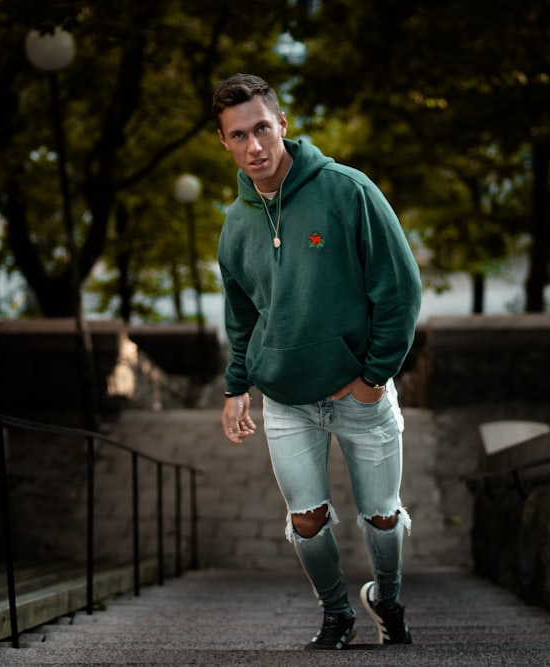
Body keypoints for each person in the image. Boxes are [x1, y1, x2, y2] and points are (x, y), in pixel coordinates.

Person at [213, 73, 423, 650]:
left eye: (261, 128)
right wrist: (238, 387)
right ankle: (337, 614)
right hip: (286, 400)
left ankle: (389, 598)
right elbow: (242, 317)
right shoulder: (234, 227)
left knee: (382, 514)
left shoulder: (346, 189)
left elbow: (400, 289)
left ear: (281, 124)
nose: (254, 146)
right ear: (225, 143)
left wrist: (373, 375)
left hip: (359, 393)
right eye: (239, 136)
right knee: (306, 519)